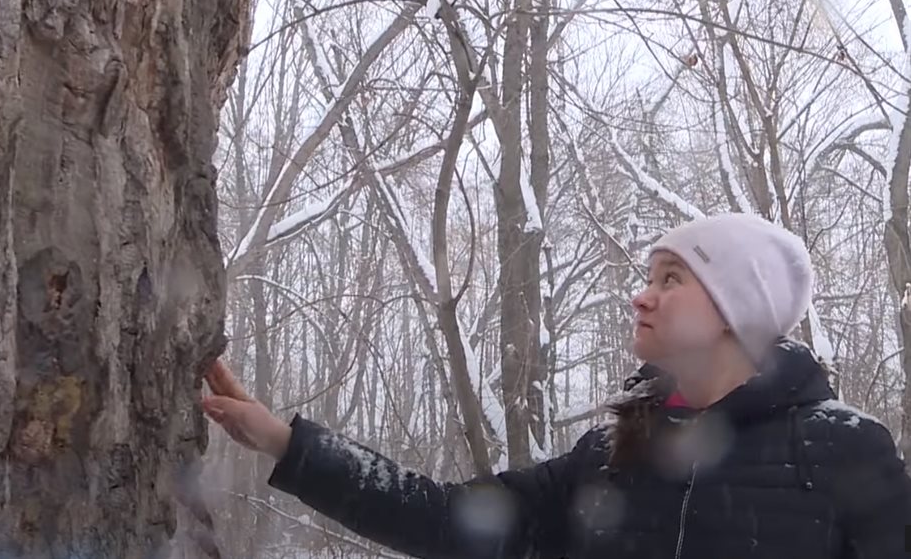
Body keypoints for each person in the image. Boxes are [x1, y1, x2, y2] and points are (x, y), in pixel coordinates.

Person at [202, 213, 911, 558]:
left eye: (671, 278)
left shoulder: (839, 448)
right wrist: (284, 441)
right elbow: (450, 519)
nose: (642, 295)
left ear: (738, 309)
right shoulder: (614, 452)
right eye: (647, 276)